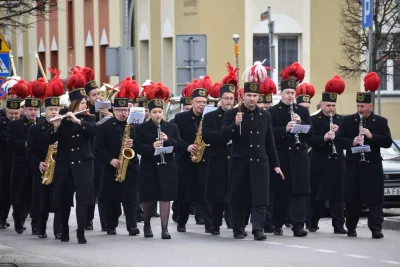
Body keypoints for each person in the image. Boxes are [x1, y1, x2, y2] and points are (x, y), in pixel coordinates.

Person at [221, 81, 282, 240]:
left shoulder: (265, 115)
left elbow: (270, 142)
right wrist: (235, 124)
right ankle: (238, 228)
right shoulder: (233, 113)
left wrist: (276, 164)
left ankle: (258, 229)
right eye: (249, 95)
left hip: (259, 162)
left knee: (260, 197)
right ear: (243, 96)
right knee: (238, 197)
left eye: (255, 95)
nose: (252, 98)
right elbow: (223, 136)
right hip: (240, 162)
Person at [336, 72, 392, 239]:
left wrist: (371, 136)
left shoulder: (381, 122)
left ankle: (376, 229)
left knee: (375, 199)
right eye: (358, 106)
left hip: (372, 165)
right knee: (352, 199)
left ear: (370, 107)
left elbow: (388, 142)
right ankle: (351, 227)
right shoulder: (347, 121)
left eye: (363, 106)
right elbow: (339, 141)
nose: (360, 109)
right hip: (353, 164)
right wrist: (352, 142)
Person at [48, 68, 96, 244]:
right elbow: (51, 139)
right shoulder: (62, 118)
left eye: (86, 103)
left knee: (83, 199)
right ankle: (65, 230)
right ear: (73, 104)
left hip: (83, 164)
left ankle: (81, 231)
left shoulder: (88, 119)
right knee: (64, 199)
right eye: (82, 103)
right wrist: (56, 126)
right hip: (66, 164)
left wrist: (77, 120)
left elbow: (93, 131)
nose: (85, 106)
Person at [267, 62, 312, 237]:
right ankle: (277, 223)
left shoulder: (302, 111)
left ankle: (298, 225)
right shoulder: (272, 112)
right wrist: (285, 129)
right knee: (281, 192)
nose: (291, 96)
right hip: (282, 156)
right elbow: (269, 134)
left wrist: (301, 124)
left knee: (300, 192)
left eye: (293, 93)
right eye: (287, 93)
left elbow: (311, 132)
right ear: (281, 93)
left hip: (300, 157)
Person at [134, 83, 182, 239]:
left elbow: (179, 144)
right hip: (149, 166)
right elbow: (138, 147)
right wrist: (151, 146)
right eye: (154, 112)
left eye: (160, 112)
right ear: (149, 113)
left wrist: (168, 140)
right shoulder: (141, 128)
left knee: (165, 197)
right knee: (149, 198)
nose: (157, 115)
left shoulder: (172, 127)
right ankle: (147, 226)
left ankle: (164, 228)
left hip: (167, 166)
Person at [95, 93, 140, 236]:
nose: (124, 113)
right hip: (112, 167)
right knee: (112, 199)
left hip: (130, 166)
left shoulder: (134, 126)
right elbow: (98, 147)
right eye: (120, 110)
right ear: (114, 110)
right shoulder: (105, 126)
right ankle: (111, 225)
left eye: (126, 110)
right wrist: (110, 160)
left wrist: (135, 143)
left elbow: (144, 144)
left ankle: (132, 226)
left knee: (131, 198)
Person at [308, 75, 347, 234]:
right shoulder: (313, 119)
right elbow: (310, 139)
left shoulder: (341, 120)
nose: (331, 108)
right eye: (328, 105)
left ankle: (338, 224)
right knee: (317, 194)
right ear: (322, 105)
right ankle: (312, 222)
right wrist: (324, 137)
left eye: (333, 105)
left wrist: (339, 135)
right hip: (318, 160)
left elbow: (346, 141)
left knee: (337, 194)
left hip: (337, 162)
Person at [27, 77, 64, 239]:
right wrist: (38, 163)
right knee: (42, 201)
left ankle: (58, 230)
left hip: (60, 168)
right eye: (51, 109)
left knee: (59, 200)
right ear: (45, 111)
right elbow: (30, 151)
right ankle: (40, 228)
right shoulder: (36, 129)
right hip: (43, 168)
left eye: (56, 109)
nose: (54, 112)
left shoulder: (65, 126)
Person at [173, 85, 213, 233]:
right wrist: (186, 147)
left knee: (204, 192)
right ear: (192, 102)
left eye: (204, 102)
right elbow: (175, 138)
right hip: (185, 161)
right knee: (184, 193)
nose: (201, 105)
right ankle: (181, 221)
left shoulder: (209, 117)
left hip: (204, 160)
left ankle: (209, 223)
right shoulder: (180, 118)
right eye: (198, 102)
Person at [7, 79, 43, 235]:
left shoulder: (42, 123)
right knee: (20, 195)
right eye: (30, 109)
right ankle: (18, 219)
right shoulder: (15, 124)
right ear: (25, 110)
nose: (33, 112)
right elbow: (11, 143)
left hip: (36, 164)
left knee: (36, 196)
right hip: (21, 165)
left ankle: (36, 224)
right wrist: (27, 145)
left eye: (35, 109)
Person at [202, 83, 235, 235]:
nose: (229, 101)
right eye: (226, 98)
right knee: (217, 195)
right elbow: (208, 136)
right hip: (217, 159)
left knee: (235, 194)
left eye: (231, 99)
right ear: (220, 99)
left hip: (235, 159)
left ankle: (234, 222)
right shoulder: (210, 117)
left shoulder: (239, 115)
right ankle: (215, 224)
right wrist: (225, 135)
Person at [0, 98, 21, 229]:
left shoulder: (23, 124)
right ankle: (2, 218)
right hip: (4, 163)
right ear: (6, 112)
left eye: (16, 113)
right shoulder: (1, 123)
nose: (13, 116)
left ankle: (20, 219)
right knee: (4, 192)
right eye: (11, 113)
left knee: (19, 192)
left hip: (19, 162)